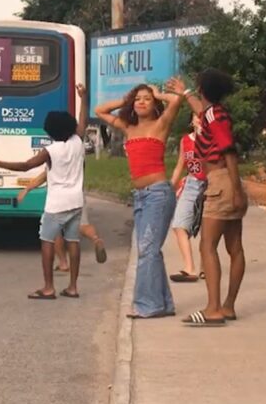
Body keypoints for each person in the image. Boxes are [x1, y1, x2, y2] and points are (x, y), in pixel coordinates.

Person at [0, 84, 88, 300]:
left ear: (50, 130)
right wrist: (83, 98)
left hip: (56, 204)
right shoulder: (77, 142)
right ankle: (73, 287)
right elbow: (82, 121)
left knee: (47, 241)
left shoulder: (51, 151)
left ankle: (49, 287)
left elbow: (25, 166)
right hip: (76, 201)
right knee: (73, 242)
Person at [95, 81, 186, 319]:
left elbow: (176, 101)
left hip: (158, 194)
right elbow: (100, 111)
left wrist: (159, 93)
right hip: (140, 197)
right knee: (149, 250)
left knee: (148, 250)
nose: (142, 102)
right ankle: (163, 304)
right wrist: (125, 100)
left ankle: (147, 305)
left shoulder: (160, 125)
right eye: (138, 99)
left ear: (154, 104)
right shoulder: (128, 127)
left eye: (147, 98)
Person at [170, 72, 247, 327]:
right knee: (235, 248)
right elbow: (201, 111)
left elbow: (229, 151)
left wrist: (236, 189)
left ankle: (213, 309)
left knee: (207, 246)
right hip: (226, 182)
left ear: (202, 88)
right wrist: (185, 93)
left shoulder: (213, 115)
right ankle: (228, 306)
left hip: (220, 183)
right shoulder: (215, 113)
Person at [17, 170, 108, 268]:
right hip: (77, 194)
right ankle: (96, 239)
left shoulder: (54, 160)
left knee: (55, 230)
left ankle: (63, 262)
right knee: (83, 225)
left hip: (58, 196)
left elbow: (44, 176)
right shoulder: (77, 160)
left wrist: (27, 189)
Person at [168, 114, 207, 283]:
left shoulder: (212, 139)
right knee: (179, 224)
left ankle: (206, 267)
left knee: (207, 230)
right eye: (196, 116)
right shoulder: (185, 140)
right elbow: (180, 165)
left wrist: (203, 137)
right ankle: (189, 267)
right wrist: (170, 187)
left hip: (210, 184)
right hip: (191, 183)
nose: (199, 120)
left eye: (202, 117)